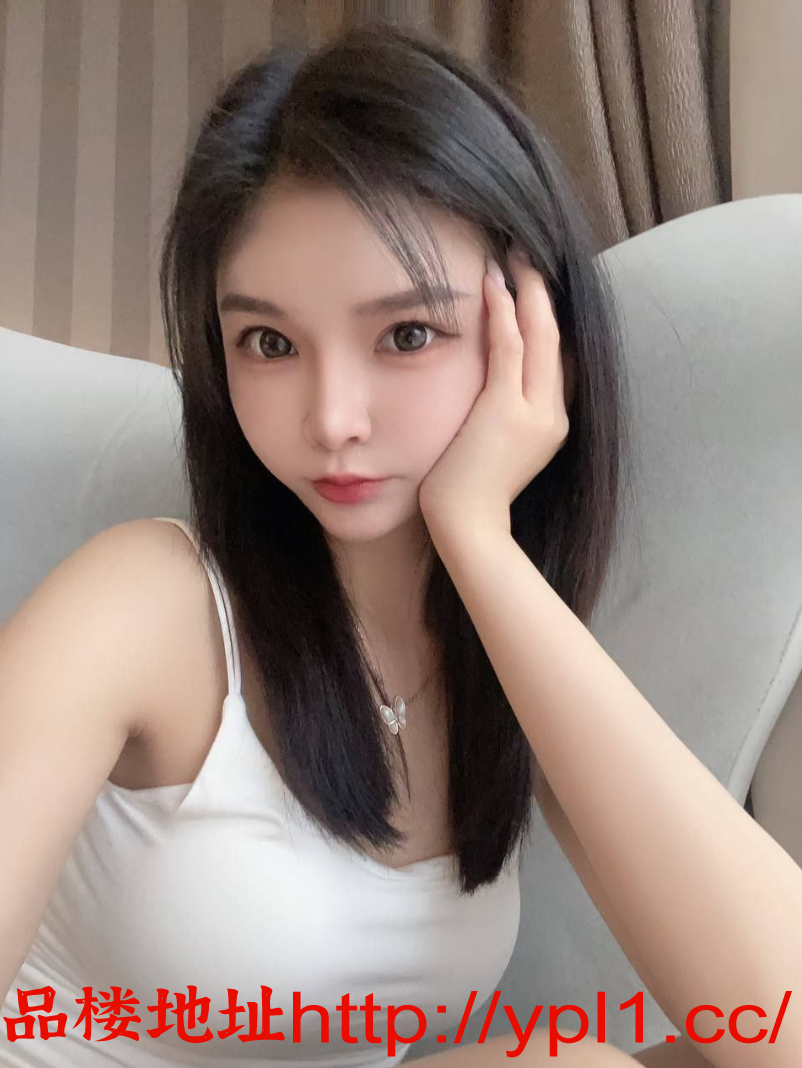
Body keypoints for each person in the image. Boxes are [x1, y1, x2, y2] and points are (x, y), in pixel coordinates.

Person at [1, 20, 800, 1068]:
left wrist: (479, 544)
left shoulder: (499, 662)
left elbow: (781, 1026)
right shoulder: (142, 605)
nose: (332, 418)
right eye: (269, 343)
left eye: (407, 334)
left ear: (533, 337)